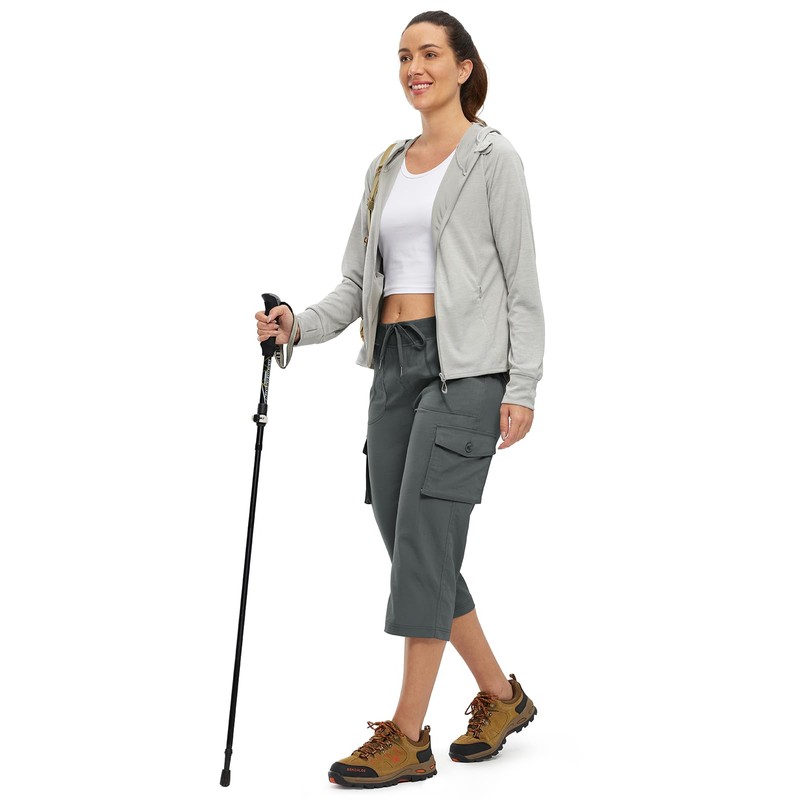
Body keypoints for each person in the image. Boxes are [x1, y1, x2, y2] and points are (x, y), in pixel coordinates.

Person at [255, 10, 544, 789]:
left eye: (430, 54)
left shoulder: (493, 159)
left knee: (422, 540)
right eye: (404, 56)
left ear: (464, 67)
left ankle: (407, 735)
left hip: (466, 372)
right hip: (394, 364)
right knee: (408, 537)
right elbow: (357, 283)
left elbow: (522, 285)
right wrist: (296, 325)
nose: (415, 67)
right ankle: (501, 696)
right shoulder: (386, 166)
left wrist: (521, 386)